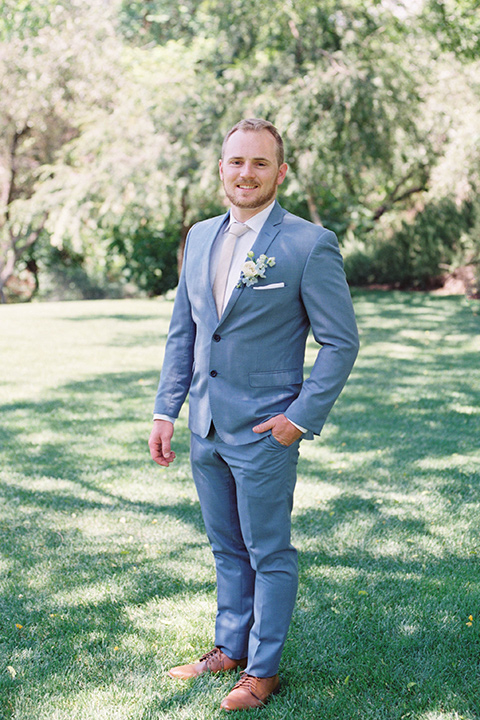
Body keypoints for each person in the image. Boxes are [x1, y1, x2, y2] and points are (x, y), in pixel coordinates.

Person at [148, 118, 359, 711]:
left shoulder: (307, 243)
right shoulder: (199, 236)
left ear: (280, 172)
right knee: (225, 548)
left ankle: (260, 672)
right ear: (221, 167)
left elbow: (341, 341)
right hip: (205, 427)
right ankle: (229, 647)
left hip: (267, 430)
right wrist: (167, 410)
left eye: (260, 163)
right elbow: (183, 332)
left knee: (268, 552)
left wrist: (300, 417)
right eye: (236, 162)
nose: (246, 173)